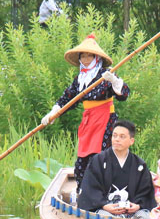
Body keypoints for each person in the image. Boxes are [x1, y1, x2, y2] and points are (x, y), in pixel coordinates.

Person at [41, 34, 131, 185]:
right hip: (89, 121)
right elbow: (67, 98)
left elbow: (124, 95)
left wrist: (114, 81)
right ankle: (84, 190)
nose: (86, 59)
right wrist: (53, 113)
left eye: (90, 56)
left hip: (105, 120)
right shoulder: (79, 79)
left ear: (96, 58)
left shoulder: (106, 73)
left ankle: (107, 191)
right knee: (83, 157)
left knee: (102, 156)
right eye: (83, 56)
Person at [77, 120, 156, 219]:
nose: (117, 139)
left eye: (122, 137)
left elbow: (146, 192)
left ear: (131, 141)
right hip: (105, 209)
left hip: (132, 211)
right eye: (115, 136)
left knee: (144, 217)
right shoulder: (99, 160)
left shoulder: (139, 165)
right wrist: (103, 205)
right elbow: (90, 188)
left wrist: (137, 205)